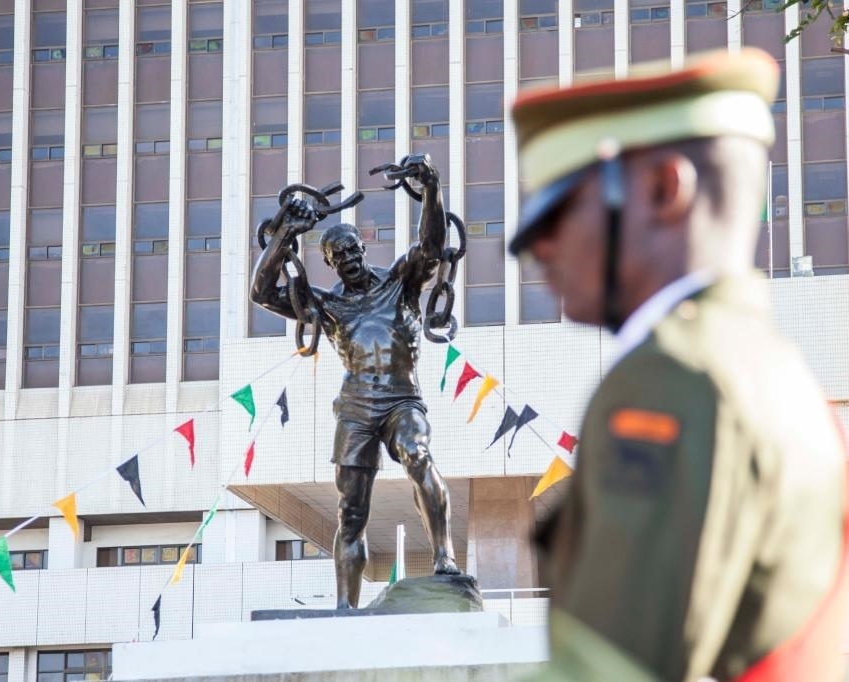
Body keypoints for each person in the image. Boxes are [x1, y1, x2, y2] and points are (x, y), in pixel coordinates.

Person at [508, 49, 849, 680]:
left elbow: (605, 670)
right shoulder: (766, 368)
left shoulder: (671, 378)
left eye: (558, 211)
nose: (534, 246)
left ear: (665, 189)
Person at [250, 154, 461, 609]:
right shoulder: (327, 306)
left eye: (350, 250)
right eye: (336, 256)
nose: (346, 259)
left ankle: (444, 557)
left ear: (362, 249)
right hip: (356, 407)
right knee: (351, 511)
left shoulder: (400, 283)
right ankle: (346, 606)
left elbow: (431, 247)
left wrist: (431, 189)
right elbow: (261, 293)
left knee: (418, 455)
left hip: (402, 399)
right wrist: (285, 233)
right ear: (329, 263)